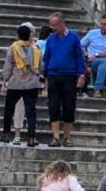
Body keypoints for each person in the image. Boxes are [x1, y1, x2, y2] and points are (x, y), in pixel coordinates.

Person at [42, 12, 86, 147]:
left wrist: (81, 74)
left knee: (69, 107)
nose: (53, 28)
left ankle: (67, 138)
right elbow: (46, 57)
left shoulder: (73, 37)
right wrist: (45, 75)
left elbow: (79, 56)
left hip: (69, 75)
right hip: (54, 75)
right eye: (52, 25)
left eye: (55, 25)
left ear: (62, 24)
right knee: (53, 106)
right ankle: (55, 137)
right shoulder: (50, 38)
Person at [0, 23, 42, 147]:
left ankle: (6, 134)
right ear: (29, 36)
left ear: (18, 35)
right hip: (32, 84)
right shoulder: (36, 49)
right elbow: (40, 67)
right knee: (31, 111)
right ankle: (31, 137)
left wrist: (5, 81)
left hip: (15, 83)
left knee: (9, 110)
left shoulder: (13, 48)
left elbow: (8, 66)